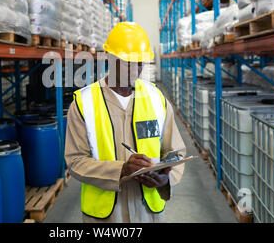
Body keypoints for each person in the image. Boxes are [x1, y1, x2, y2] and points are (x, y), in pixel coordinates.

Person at [65, 22, 186, 223]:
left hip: (148, 213)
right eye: (128, 62)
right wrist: (121, 170)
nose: (135, 70)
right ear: (110, 58)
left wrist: (166, 179)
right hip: (105, 216)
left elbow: (176, 152)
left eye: (140, 63)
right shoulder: (83, 104)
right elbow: (76, 161)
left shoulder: (157, 99)